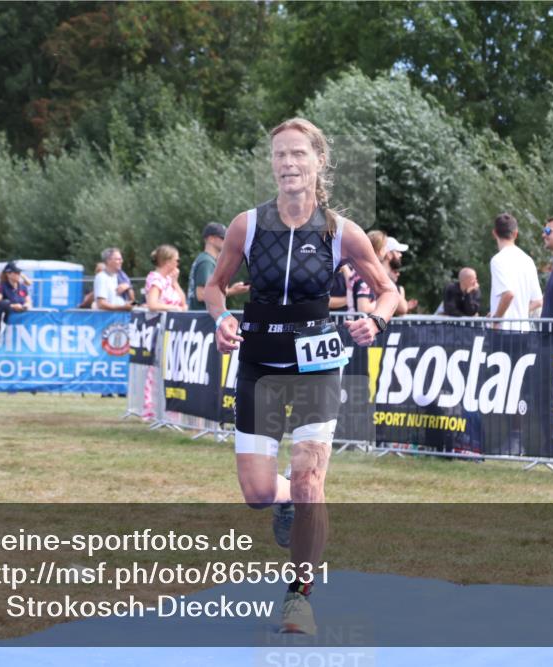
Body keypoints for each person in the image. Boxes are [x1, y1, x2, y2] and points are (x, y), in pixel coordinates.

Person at [204, 118, 398, 635]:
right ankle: (286, 498)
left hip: (317, 363)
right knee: (258, 491)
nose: (287, 164)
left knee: (312, 480)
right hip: (260, 363)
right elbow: (215, 287)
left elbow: (387, 290)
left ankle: (298, 597)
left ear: (318, 162)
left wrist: (375, 320)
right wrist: (223, 319)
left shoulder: (341, 232)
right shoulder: (247, 225)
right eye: (279, 156)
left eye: (297, 154)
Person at [141, 245, 187, 419]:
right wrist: (172, 308)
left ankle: (169, 408)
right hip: (159, 330)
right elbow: (152, 304)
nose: (178, 263)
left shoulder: (167, 280)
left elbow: (183, 301)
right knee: (156, 370)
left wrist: (175, 283)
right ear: (167, 261)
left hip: (172, 330)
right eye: (176, 259)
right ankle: (151, 408)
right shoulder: (155, 279)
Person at [489, 213, 542, 331]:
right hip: (524, 328)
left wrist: (496, 318)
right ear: (516, 233)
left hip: (504, 329)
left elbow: (508, 294)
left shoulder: (498, 260)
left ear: (494, 233)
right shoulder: (528, 260)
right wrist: (520, 311)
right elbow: (538, 301)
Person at [187, 222, 248, 310]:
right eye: (223, 238)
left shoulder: (206, 259)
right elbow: (201, 294)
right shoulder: (206, 262)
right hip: (202, 317)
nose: (227, 241)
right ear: (211, 239)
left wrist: (230, 290)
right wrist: (232, 291)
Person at [350, 230, 388, 313]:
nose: (386, 250)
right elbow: (363, 308)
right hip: (361, 324)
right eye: (384, 247)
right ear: (378, 250)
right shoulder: (366, 273)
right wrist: (385, 301)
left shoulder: (360, 268)